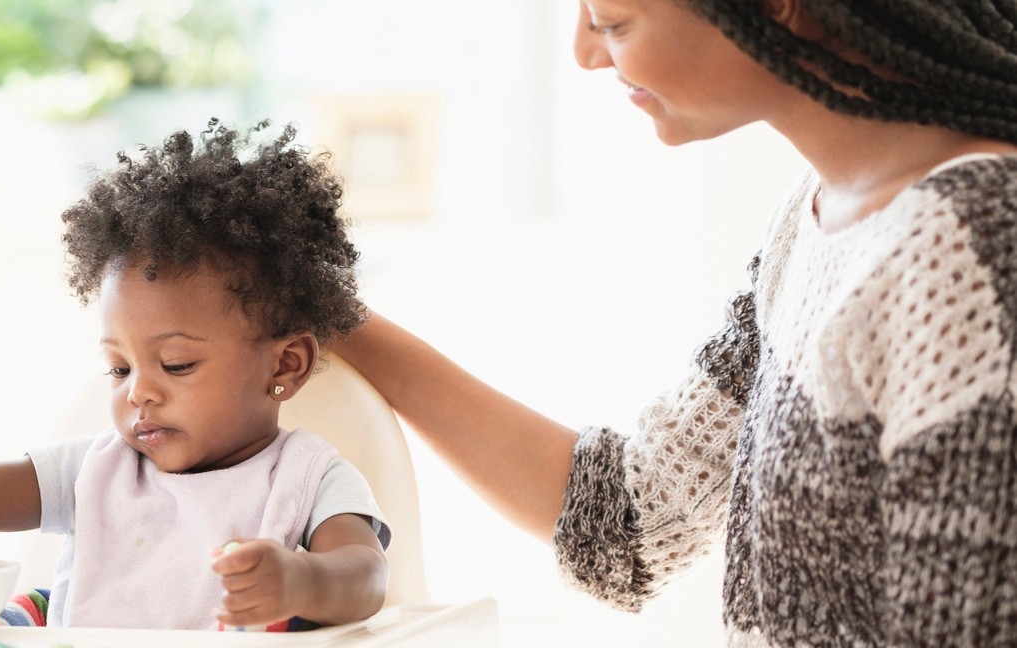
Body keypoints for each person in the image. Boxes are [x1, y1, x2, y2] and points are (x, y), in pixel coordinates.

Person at [334, 0, 1017, 645]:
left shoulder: (975, 245)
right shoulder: (811, 218)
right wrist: (328, 316)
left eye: (615, 23)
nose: (584, 53)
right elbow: (630, 521)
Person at [0, 120, 390, 631]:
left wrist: (300, 582)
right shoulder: (92, 469)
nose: (140, 392)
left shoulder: (310, 477)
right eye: (119, 367)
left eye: (176, 365)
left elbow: (365, 576)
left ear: (284, 364)